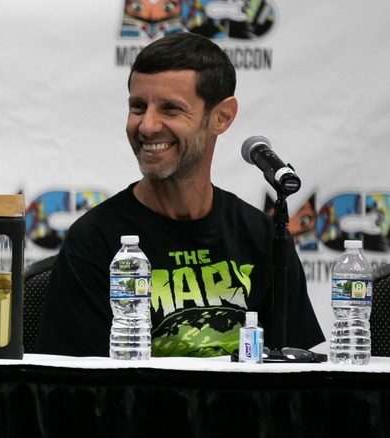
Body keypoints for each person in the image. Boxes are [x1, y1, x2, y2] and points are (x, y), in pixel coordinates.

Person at [35, 32, 324, 358]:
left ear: (221, 117)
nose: (147, 126)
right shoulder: (96, 240)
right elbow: (79, 394)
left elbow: (298, 380)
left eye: (170, 109)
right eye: (138, 107)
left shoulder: (262, 236)